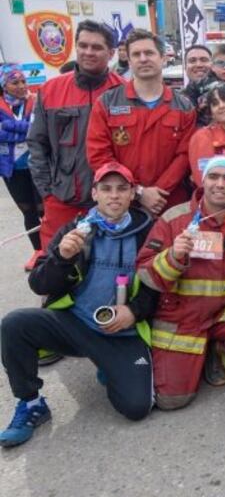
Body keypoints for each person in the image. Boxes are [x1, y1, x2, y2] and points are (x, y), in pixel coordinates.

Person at [0, 162, 156, 447]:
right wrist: (61, 258)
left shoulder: (148, 231)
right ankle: (31, 403)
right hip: (76, 324)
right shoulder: (76, 230)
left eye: (122, 189)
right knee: (14, 324)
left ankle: (109, 365)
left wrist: (133, 311)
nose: (114, 196)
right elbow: (38, 284)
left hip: (121, 332)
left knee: (137, 407)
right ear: (94, 193)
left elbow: (159, 285)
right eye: (106, 189)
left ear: (133, 193)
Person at [137, 156, 225, 410]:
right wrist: (172, 256)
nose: (220, 184)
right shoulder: (174, 219)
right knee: (172, 401)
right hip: (181, 317)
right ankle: (190, 359)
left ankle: (217, 365)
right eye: (214, 177)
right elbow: (145, 273)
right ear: (202, 182)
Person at [28, 19, 124, 250]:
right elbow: (36, 144)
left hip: (112, 202)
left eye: (97, 47)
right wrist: (47, 192)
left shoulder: (124, 92)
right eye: (83, 45)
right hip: (62, 200)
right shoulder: (51, 90)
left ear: (111, 53)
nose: (88, 52)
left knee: (107, 270)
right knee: (56, 269)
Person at [86, 29, 197, 218]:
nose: (143, 59)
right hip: (121, 203)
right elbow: (98, 154)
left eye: (150, 53)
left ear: (163, 58)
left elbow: (185, 156)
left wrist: (158, 191)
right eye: (136, 54)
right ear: (129, 61)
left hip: (168, 203)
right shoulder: (107, 103)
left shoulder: (184, 107)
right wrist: (137, 191)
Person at [0, 65, 42, 268]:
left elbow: (37, 129)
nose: (21, 86)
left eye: (23, 81)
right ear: (4, 85)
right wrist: (22, 129)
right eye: (14, 82)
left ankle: (51, 248)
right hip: (12, 169)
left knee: (45, 210)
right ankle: (38, 250)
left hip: (38, 165)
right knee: (28, 211)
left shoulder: (35, 101)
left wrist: (6, 126)